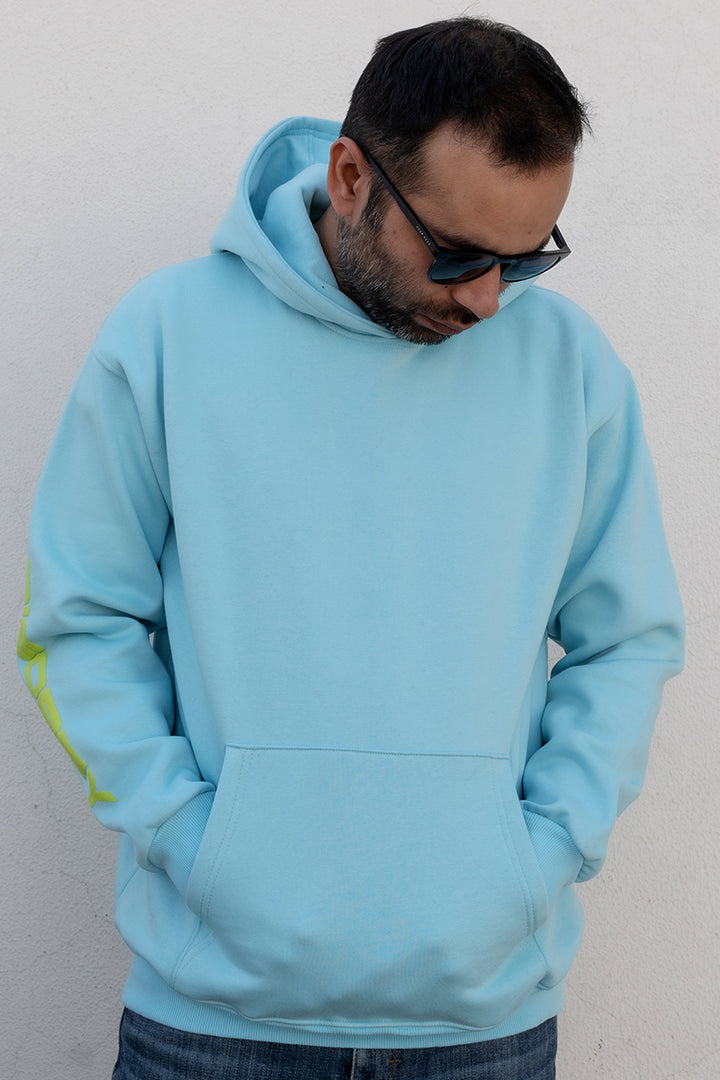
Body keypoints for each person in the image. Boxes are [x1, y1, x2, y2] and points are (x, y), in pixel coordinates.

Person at [17, 17, 684, 1080]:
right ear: (350, 177)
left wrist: (543, 853)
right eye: (459, 254)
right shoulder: (165, 337)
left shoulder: (570, 366)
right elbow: (76, 623)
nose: (488, 298)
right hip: (211, 1028)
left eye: (527, 258)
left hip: (484, 1032)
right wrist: (192, 842)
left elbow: (628, 642)